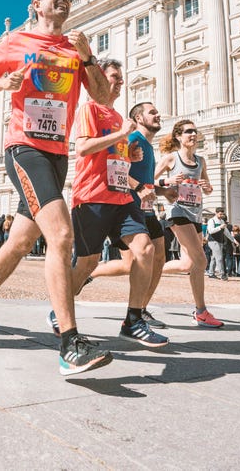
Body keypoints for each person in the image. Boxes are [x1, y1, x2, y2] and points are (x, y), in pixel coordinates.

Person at [0, 0, 114, 376]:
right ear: (36, 5)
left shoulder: (74, 47)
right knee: (61, 235)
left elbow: (102, 97)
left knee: (20, 240)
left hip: (56, 154)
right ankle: (70, 343)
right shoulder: (16, 43)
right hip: (23, 147)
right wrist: (2, 82)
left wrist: (88, 58)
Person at [47, 59, 168, 348]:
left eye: (121, 77)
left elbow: (115, 157)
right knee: (87, 263)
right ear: (98, 80)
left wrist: (130, 156)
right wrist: (121, 135)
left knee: (145, 249)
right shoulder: (89, 109)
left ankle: (134, 319)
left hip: (121, 196)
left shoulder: (116, 117)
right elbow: (84, 147)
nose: (120, 81)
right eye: (114, 76)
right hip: (92, 196)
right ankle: (59, 309)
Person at [88, 101, 170, 328]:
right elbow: (115, 167)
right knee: (133, 262)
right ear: (139, 118)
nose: (158, 114)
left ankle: (141, 309)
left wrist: (164, 191)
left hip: (146, 208)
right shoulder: (133, 139)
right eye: (152, 112)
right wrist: (138, 188)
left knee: (159, 258)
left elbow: (147, 181)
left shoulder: (149, 146)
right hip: (128, 207)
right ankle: (90, 273)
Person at [154, 120, 224, 328]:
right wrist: (168, 182)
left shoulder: (201, 161)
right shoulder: (170, 159)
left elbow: (209, 189)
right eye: (188, 131)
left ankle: (150, 271)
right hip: (177, 212)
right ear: (178, 136)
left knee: (187, 264)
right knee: (201, 260)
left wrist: (207, 186)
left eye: (195, 131)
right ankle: (201, 311)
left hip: (195, 214)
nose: (193, 134)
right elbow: (148, 181)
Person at [204, 208, 228, 280]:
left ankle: (211, 273)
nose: (221, 215)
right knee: (219, 258)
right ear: (216, 213)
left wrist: (233, 240)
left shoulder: (222, 221)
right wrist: (220, 227)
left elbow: (226, 232)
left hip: (219, 241)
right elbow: (211, 231)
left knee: (214, 258)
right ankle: (222, 275)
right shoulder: (211, 220)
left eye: (222, 214)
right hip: (213, 241)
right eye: (220, 214)